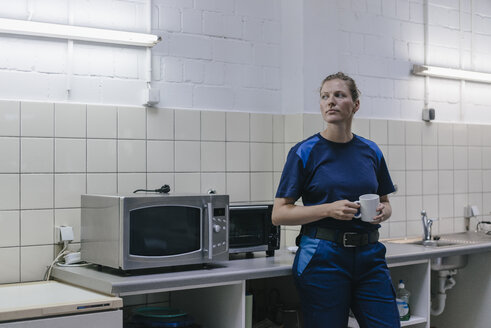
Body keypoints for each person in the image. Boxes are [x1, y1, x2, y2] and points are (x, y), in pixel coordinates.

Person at [272, 72, 400, 328]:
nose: (330, 101)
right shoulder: (304, 151)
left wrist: (383, 211)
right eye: (324, 96)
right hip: (323, 257)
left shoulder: (371, 151)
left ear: (355, 105)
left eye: (339, 95)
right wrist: (328, 209)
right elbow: (279, 214)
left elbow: (386, 203)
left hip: (370, 256)